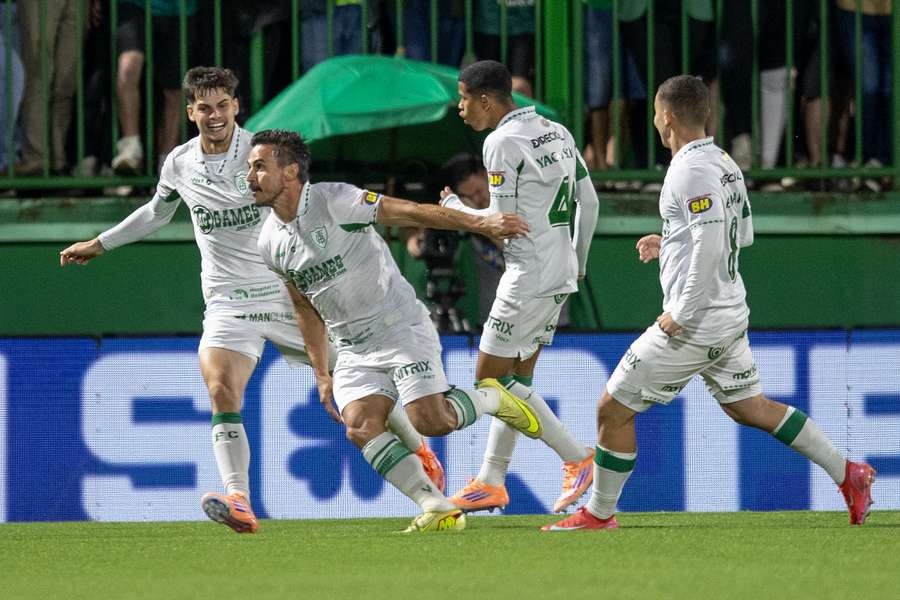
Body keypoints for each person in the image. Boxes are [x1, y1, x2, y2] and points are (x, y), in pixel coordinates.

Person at [59, 66, 444, 535]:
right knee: (220, 387)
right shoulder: (179, 163)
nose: (214, 115)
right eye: (204, 107)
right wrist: (100, 243)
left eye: (222, 105)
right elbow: (155, 214)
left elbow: (307, 206)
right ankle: (239, 498)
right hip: (227, 301)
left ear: (235, 107)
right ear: (191, 112)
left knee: (359, 391)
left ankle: (420, 449)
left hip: (287, 294)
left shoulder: (263, 154)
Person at [544, 75, 876, 531]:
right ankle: (849, 474)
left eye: (657, 114)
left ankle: (599, 514)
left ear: (667, 116)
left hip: (698, 321)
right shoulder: (722, 163)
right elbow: (742, 232)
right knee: (750, 407)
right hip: (728, 310)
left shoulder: (691, 169)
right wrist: (671, 241)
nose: (656, 121)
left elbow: (716, 237)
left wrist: (683, 310)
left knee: (611, 409)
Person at [248, 128, 543, 533]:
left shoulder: (335, 200)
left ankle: (496, 399)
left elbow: (411, 212)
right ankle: (435, 505)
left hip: (399, 327)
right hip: (351, 348)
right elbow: (303, 305)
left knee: (431, 422)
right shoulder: (268, 241)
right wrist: (321, 371)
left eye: (259, 166)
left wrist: (482, 222)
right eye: (250, 167)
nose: (249, 175)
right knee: (360, 425)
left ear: (290, 172)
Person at [442, 60, 600, 514]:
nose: (460, 108)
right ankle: (491, 478)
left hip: (527, 273)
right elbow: (588, 201)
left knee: (490, 381)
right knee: (518, 380)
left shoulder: (500, 143)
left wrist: (454, 206)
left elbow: (501, 225)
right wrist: (580, 261)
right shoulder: (556, 131)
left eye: (464, 98)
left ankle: (576, 456)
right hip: (561, 268)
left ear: (486, 100)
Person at [111, 0, 198, 175]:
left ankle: (166, 163)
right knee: (129, 67)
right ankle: (130, 148)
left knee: (175, 89)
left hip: (182, 9)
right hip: (134, 6)